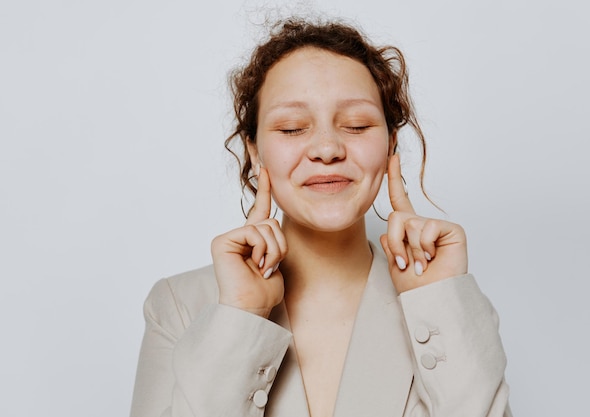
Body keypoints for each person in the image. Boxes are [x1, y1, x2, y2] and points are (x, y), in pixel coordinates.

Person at [130, 17, 512, 417]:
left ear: (390, 144)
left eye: (356, 125)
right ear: (255, 152)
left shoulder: (446, 303)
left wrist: (438, 301)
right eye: (293, 128)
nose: (327, 148)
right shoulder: (178, 306)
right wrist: (241, 313)